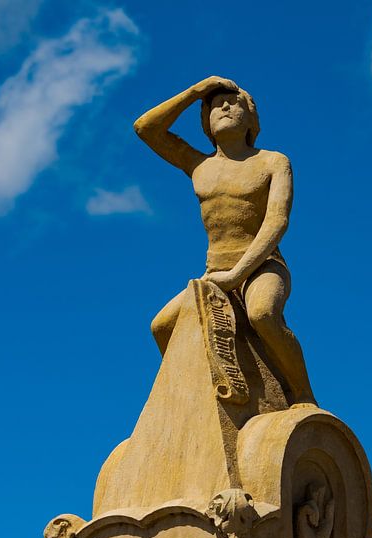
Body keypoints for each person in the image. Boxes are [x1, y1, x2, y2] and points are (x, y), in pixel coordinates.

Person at [133, 76, 316, 407]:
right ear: (205, 122)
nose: (224, 106)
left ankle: (303, 393)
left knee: (262, 314)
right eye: (215, 105)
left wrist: (237, 276)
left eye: (234, 102)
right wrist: (196, 91)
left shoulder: (273, 162)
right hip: (215, 272)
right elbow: (145, 128)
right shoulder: (198, 165)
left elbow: (277, 221)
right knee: (162, 326)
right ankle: (205, 385)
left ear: (250, 117)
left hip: (262, 266)